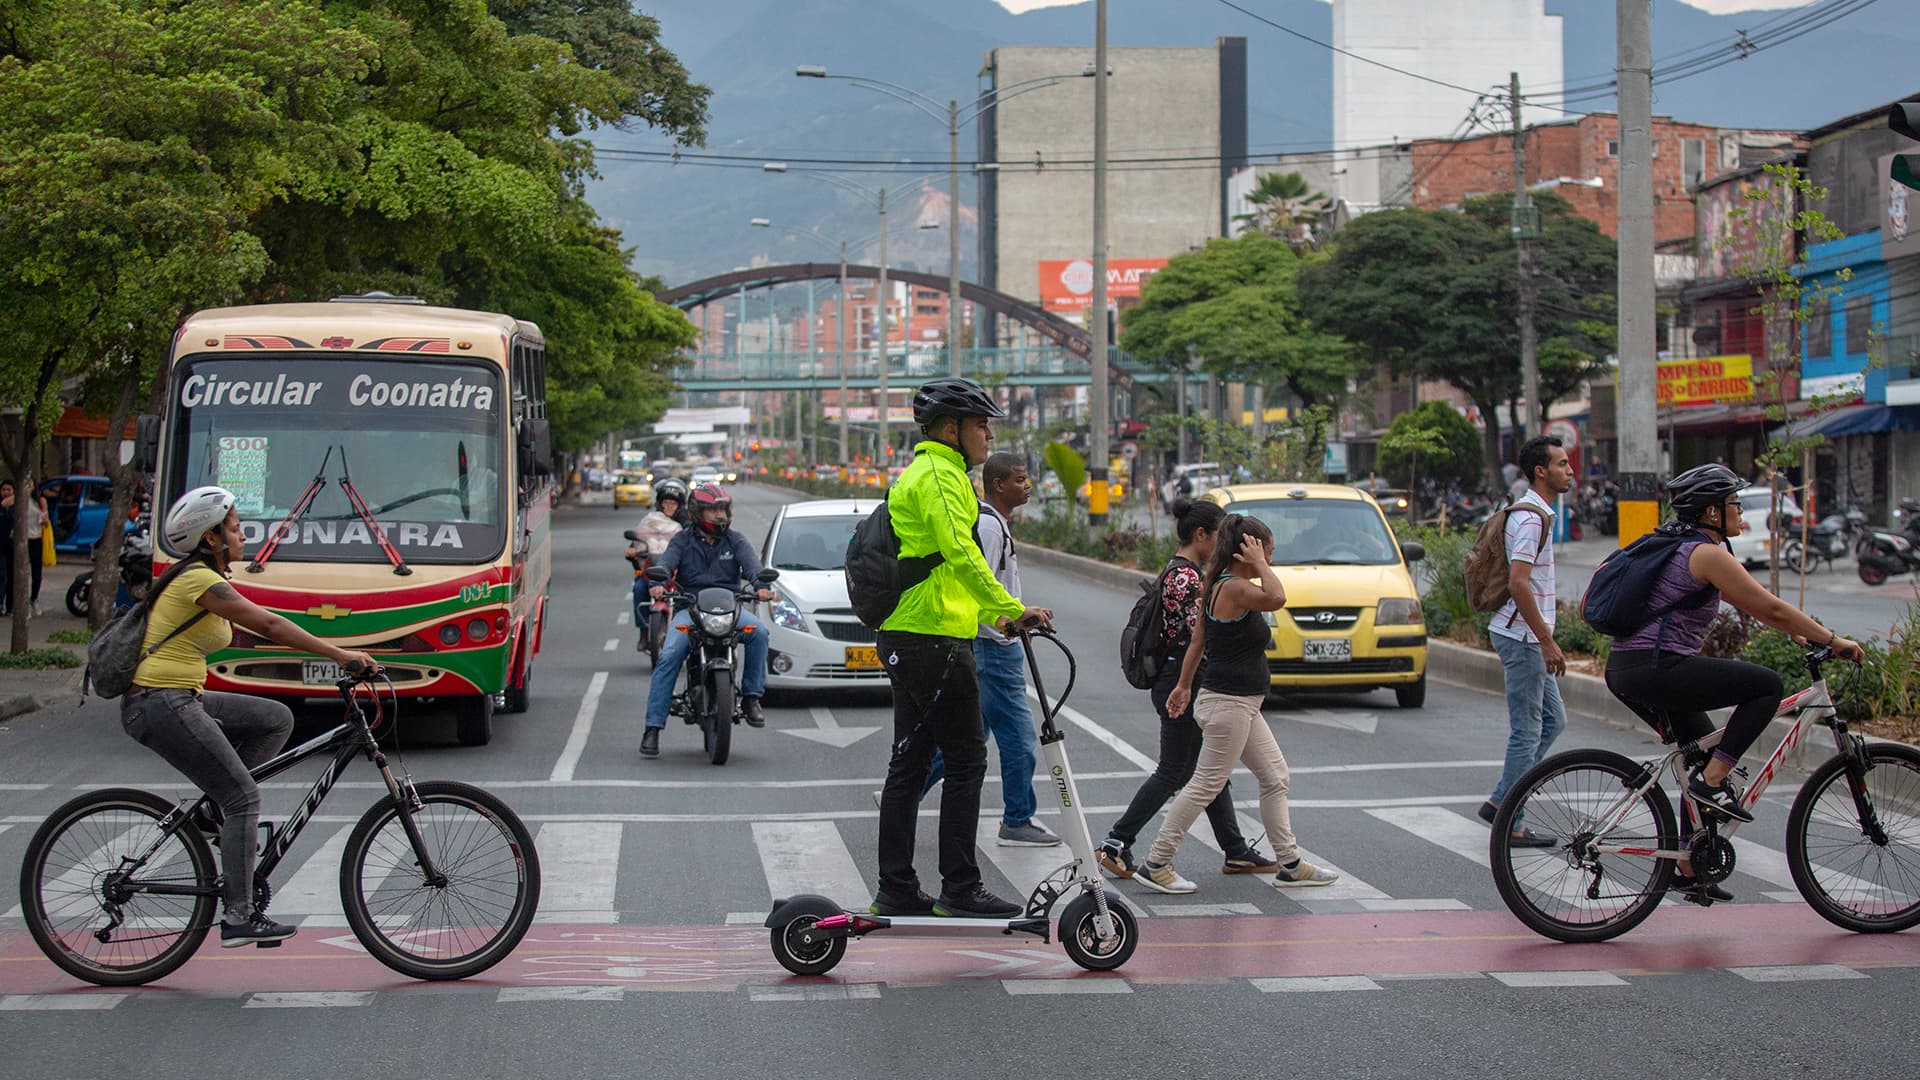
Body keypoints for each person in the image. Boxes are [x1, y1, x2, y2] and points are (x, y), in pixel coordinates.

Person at [122, 486, 376, 946]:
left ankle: (212, 815)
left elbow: (261, 630)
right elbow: (269, 625)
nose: (244, 536)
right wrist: (341, 656)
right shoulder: (198, 580)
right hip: (160, 701)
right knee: (243, 798)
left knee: (275, 719)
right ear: (211, 538)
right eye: (235, 528)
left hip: (179, 695)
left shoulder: (204, 580)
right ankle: (239, 916)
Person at [1604, 464, 1864, 899]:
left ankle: (1689, 864)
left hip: (1630, 666)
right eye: (1734, 504)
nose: (1741, 512)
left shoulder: (1688, 547)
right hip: (1655, 667)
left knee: (1703, 748)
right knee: (1764, 686)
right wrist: (1833, 640)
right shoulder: (1706, 553)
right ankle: (1711, 784)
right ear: (1710, 512)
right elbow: (1771, 607)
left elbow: (1750, 603)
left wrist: (1798, 632)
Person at [871, 377, 1052, 919]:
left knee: (912, 762)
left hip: (922, 631)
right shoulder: (940, 476)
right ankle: (959, 888)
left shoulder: (934, 473)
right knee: (966, 757)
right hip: (929, 639)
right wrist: (1011, 606)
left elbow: (945, 575)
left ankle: (898, 887)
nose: (990, 434)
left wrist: (999, 615)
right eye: (981, 424)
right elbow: (960, 554)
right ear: (952, 430)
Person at [1137, 514, 1340, 893]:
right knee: (1205, 784)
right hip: (1228, 705)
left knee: (1275, 777)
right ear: (1248, 550)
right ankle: (1157, 862)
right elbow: (1277, 597)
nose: (1272, 559)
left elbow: (1199, 642)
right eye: (1268, 551)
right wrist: (1261, 563)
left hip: (1239, 704)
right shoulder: (1232, 588)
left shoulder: (1218, 584)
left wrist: (1183, 686)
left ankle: (1290, 863)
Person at [1097, 497, 1277, 881]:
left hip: (1183, 679)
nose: (1224, 545)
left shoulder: (1182, 572)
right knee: (1176, 770)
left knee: (1209, 770)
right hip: (1183, 680)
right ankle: (1116, 841)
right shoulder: (1188, 578)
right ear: (1201, 535)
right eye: (1219, 537)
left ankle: (1235, 850)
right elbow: (1204, 636)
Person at [909, 452, 1060, 848]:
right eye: (1019, 480)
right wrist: (1011, 620)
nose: (1027, 485)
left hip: (991, 644)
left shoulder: (993, 524)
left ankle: (908, 790)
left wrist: (1023, 611)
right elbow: (982, 590)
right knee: (1020, 738)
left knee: (970, 736)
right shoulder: (990, 529)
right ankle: (1017, 819)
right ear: (998, 485)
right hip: (994, 647)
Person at [1477, 435, 1573, 847]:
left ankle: (1502, 802)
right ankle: (1510, 820)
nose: (1571, 471)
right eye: (1563, 464)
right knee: (1528, 731)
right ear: (1541, 471)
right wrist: (1546, 640)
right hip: (1522, 638)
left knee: (1554, 721)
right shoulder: (1532, 517)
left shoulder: (1537, 513)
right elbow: (1519, 584)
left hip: (1522, 635)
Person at [639, 482, 772, 756]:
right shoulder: (681, 540)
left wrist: (762, 586)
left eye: (722, 509)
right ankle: (653, 728)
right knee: (669, 655)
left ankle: (751, 698)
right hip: (690, 610)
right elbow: (666, 564)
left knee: (759, 632)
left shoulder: (735, 540)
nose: (719, 516)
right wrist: (659, 582)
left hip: (731, 608)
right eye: (713, 510)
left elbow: (753, 567)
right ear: (699, 512)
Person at [626, 477, 688, 640]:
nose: (669, 507)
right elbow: (638, 542)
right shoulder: (650, 521)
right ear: (660, 503)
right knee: (639, 588)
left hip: (677, 573)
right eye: (666, 503)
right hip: (651, 570)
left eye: (673, 504)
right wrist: (633, 551)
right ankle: (644, 631)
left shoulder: (686, 524)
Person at [0, 480, 14, 617]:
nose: (6, 492)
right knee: (1, 575)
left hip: (13, 547)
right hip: (1, 547)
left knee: (12, 577)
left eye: (9, 490)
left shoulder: (18, 506)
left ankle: (10, 606)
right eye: (4, 489)